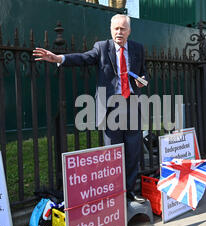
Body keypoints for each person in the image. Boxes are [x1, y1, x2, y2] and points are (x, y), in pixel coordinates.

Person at [32, 14, 147, 203]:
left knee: (133, 151)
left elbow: (143, 71)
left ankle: (129, 191)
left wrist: (143, 80)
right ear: (111, 30)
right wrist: (59, 58)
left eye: (123, 28)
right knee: (113, 152)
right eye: (116, 28)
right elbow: (84, 58)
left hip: (132, 104)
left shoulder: (137, 49)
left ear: (129, 31)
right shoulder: (102, 47)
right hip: (110, 106)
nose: (119, 32)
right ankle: (115, 193)